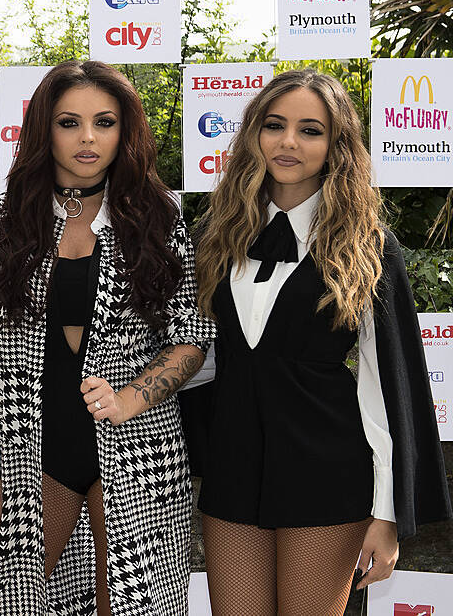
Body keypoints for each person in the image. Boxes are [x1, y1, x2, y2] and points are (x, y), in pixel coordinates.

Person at [183, 69, 451, 615]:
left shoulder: (367, 243)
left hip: (327, 471)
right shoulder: (217, 233)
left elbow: (385, 384)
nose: (288, 142)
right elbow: (199, 355)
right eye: (275, 125)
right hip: (234, 465)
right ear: (254, 133)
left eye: (311, 130)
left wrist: (386, 514)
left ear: (336, 145)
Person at [0, 60, 214, 615]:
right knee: (3, 605)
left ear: (126, 132)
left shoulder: (157, 221)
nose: (88, 138)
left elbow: (191, 338)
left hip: (140, 451)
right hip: (30, 452)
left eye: (105, 122)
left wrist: (130, 398)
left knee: (130, 605)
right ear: (43, 130)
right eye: (69, 122)